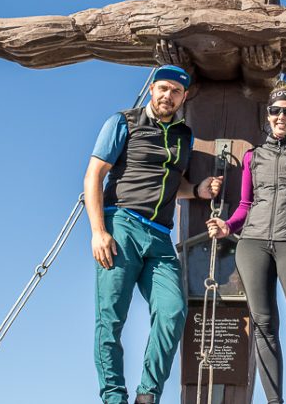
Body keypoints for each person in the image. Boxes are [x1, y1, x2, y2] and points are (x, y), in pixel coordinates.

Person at [83, 64, 223, 404]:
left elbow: (176, 186)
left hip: (160, 237)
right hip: (122, 228)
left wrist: (199, 189)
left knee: (173, 310)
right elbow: (93, 176)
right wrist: (98, 231)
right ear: (151, 90)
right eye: (163, 88)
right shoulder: (123, 122)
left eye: (175, 92)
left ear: (183, 97)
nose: (168, 96)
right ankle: (114, 397)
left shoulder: (183, 136)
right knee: (111, 318)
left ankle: (148, 395)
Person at [207, 81, 286, 404]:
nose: (282, 117)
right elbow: (245, 205)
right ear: (268, 115)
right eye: (276, 111)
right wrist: (228, 226)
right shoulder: (254, 156)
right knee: (264, 324)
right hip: (252, 243)